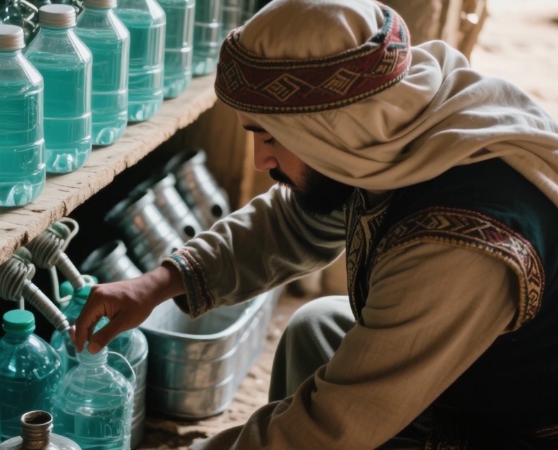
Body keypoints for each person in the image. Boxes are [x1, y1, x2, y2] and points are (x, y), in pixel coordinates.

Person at [71, 0, 558, 447]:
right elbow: (293, 222)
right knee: (315, 328)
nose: (261, 161)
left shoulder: (459, 246)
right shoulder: (395, 124)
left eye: (271, 137)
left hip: (508, 429)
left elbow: (327, 430)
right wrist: (159, 283)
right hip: (474, 373)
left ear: (335, 131)